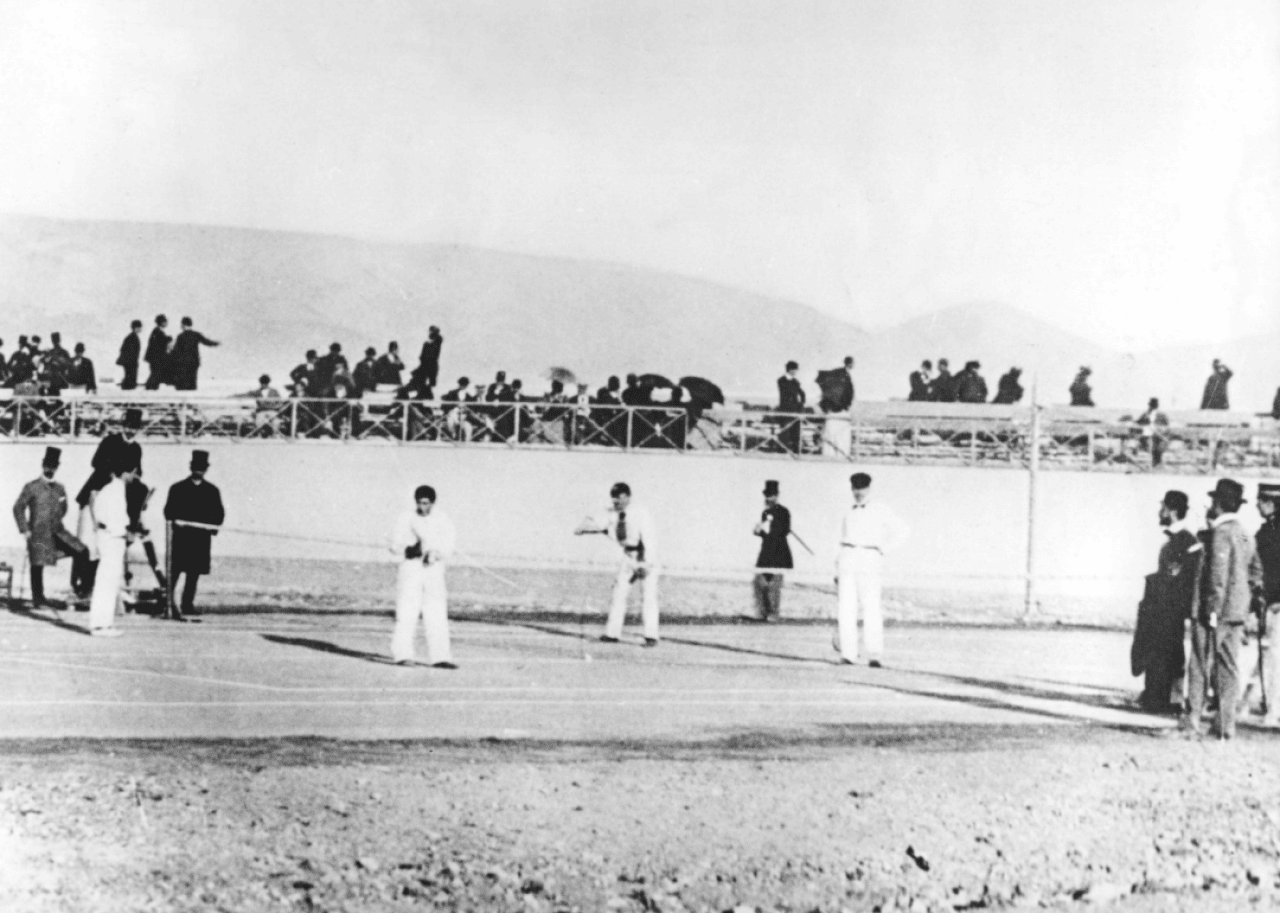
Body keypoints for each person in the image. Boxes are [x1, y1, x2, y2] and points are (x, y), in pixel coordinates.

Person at [1184, 479, 1263, 739]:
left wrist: (1213, 610)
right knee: (1228, 667)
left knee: (1199, 664)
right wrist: (1246, 602)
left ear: (1218, 504)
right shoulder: (1243, 532)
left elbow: (1217, 576)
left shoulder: (1220, 533)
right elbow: (1255, 571)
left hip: (1214, 612)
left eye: (1212, 502)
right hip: (1236, 612)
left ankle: (1192, 721)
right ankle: (1225, 724)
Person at [1131, 491, 1200, 713]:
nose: (1159, 512)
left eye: (1162, 507)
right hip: (1160, 606)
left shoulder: (1187, 541)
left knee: (1168, 653)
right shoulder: (1174, 540)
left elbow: (1183, 578)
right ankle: (1155, 695)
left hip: (1170, 608)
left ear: (1172, 511)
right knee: (1157, 651)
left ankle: (1167, 699)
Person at [834, 472, 909, 667]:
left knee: (871, 607)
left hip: (869, 558)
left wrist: (882, 549)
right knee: (846, 608)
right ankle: (848, 654)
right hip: (848, 558)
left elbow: (902, 532)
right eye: (855, 488)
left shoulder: (880, 509)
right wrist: (837, 567)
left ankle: (874, 654)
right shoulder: (849, 512)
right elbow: (842, 540)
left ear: (869, 488)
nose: (858, 492)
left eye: (862, 488)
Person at [575, 482, 659, 646]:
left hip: (644, 556)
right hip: (628, 556)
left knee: (648, 596)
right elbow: (602, 527)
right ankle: (612, 634)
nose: (617, 502)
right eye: (614, 499)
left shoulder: (640, 513)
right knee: (618, 593)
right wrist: (584, 529)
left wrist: (644, 564)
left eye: (620, 498)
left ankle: (651, 636)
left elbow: (649, 540)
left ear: (628, 497)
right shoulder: (613, 514)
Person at [73, 408, 144, 598]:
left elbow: (138, 473)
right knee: (88, 544)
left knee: (108, 546)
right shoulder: (110, 441)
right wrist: (120, 473)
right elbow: (96, 462)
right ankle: (82, 586)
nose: (130, 431)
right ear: (122, 425)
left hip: (116, 501)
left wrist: (133, 477)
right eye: (128, 426)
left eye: (134, 428)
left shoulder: (137, 448)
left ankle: (100, 587)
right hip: (95, 496)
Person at [389, 484, 458, 668]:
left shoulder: (443, 519)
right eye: (419, 503)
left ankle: (441, 657)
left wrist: (435, 553)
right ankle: (402, 654)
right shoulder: (406, 518)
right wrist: (410, 549)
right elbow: (394, 545)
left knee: (436, 612)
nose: (422, 507)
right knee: (407, 611)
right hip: (411, 569)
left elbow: (449, 546)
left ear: (433, 503)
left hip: (433, 570)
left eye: (426, 503)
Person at [12, 447, 84, 607]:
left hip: (58, 532)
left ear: (57, 467)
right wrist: (25, 529)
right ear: (43, 465)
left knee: (81, 551)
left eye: (53, 465)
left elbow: (64, 508)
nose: (50, 468)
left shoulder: (60, 488)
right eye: (48, 464)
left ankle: (80, 589)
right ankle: (38, 598)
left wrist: (55, 520)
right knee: (37, 564)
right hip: (38, 534)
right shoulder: (32, 486)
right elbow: (18, 507)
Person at [163, 450, 226, 620]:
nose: (199, 471)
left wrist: (210, 528)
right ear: (191, 468)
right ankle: (167, 603)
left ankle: (187, 604)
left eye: (202, 468)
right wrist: (176, 524)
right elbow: (169, 511)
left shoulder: (212, 491)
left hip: (200, 539)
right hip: (181, 538)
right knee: (174, 572)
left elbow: (219, 513)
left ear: (206, 470)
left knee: (193, 574)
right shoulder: (177, 488)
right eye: (196, 467)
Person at [1239, 484, 1280, 724]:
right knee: (1269, 656)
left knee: (1271, 657)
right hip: (1272, 604)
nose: (1256, 505)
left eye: (1261, 500)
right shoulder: (1267, 531)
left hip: (1274, 605)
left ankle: (1270, 709)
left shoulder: (1268, 533)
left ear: (1272, 503)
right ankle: (1261, 706)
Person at [87, 459, 131, 637]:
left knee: (110, 582)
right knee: (106, 581)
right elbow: (109, 517)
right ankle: (99, 625)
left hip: (113, 538)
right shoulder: (114, 489)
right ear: (126, 473)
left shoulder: (114, 489)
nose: (133, 476)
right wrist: (121, 531)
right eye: (132, 472)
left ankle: (105, 623)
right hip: (111, 538)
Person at [752, 480, 793, 622]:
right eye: (767, 496)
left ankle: (774, 613)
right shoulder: (765, 513)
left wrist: (769, 530)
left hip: (779, 552)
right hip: (766, 552)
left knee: (774, 584)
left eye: (772, 495)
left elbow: (783, 532)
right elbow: (766, 534)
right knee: (760, 581)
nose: (769, 499)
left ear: (777, 496)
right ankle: (762, 611)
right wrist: (758, 532)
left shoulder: (784, 512)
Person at [169, 317, 219, 391]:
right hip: (194, 362)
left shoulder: (180, 336)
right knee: (192, 382)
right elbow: (207, 342)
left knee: (183, 383)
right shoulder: (196, 334)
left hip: (183, 363)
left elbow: (176, 351)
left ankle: (183, 400)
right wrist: (216, 343)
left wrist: (169, 350)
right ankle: (191, 400)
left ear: (183, 325)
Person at [776, 361, 806, 455]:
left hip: (795, 410)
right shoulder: (781, 380)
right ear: (790, 370)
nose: (796, 372)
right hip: (785, 410)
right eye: (795, 370)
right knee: (784, 431)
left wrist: (801, 404)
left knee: (796, 431)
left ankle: (796, 451)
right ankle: (782, 450)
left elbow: (802, 394)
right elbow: (789, 392)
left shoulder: (795, 381)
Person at [1135, 398, 1169, 467]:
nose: (1151, 407)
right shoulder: (1146, 414)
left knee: (1156, 451)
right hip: (1149, 435)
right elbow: (1138, 422)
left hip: (1156, 436)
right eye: (1151, 405)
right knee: (1154, 450)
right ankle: (1155, 464)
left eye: (1153, 405)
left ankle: (1156, 464)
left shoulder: (1160, 415)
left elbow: (1166, 425)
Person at [143, 315, 171, 390]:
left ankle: (150, 388)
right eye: (165, 321)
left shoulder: (157, 331)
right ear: (161, 322)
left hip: (155, 358)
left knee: (156, 374)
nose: (166, 323)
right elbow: (159, 344)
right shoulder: (157, 331)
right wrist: (168, 339)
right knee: (156, 374)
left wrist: (167, 339)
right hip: (156, 358)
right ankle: (150, 388)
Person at [116, 320, 144, 390]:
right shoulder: (132, 337)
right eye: (139, 327)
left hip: (130, 361)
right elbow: (127, 350)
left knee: (130, 376)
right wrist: (132, 360)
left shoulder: (132, 336)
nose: (141, 329)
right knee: (130, 376)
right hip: (130, 362)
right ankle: (127, 388)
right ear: (135, 328)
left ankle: (127, 387)